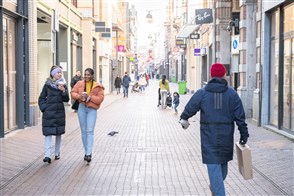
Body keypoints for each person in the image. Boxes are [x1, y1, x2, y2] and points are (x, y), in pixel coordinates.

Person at [179, 63, 249, 196]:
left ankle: (215, 186)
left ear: (211, 75)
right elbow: (240, 116)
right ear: (224, 76)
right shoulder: (231, 94)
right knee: (218, 173)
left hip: (212, 139)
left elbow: (189, 109)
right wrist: (243, 133)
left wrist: (184, 119)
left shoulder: (203, 93)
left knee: (221, 173)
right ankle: (217, 189)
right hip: (219, 139)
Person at [70, 68, 105, 163]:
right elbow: (73, 92)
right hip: (81, 107)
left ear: (92, 75)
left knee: (90, 131)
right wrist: (79, 96)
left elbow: (100, 99)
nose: (86, 76)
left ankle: (89, 153)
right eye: (85, 74)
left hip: (92, 109)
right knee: (84, 131)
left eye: (88, 74)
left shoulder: (98, 86)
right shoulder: (80, 83)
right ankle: (86, 151)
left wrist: (90, 97)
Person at [38, 65, 70, 164]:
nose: (59, 74)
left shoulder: (63, 85)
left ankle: (57, 153)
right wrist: (44, 108)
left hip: (59, 112)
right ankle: (47, 155)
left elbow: (66, 99)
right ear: (53, 74)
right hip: (49, 113)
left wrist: (63, 91)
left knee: (58, 133)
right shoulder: (47, 85)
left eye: (60, 72)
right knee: (48, 134)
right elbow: (41, 98)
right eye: (57, 72)